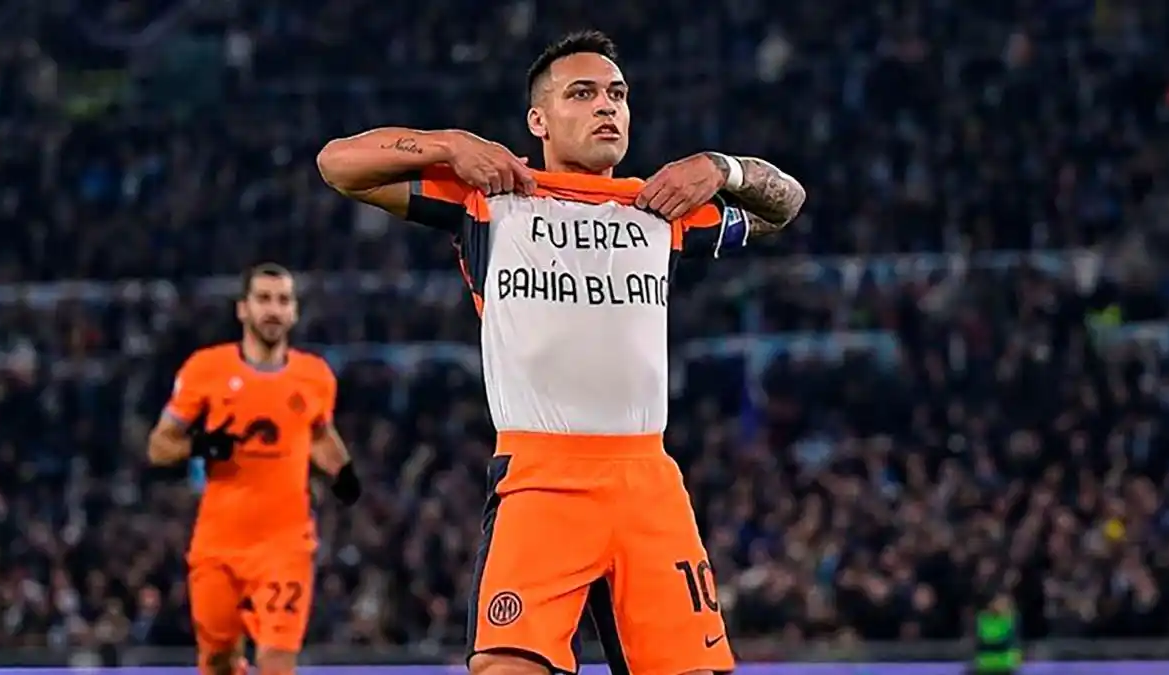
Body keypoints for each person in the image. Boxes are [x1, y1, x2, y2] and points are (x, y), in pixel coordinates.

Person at [317, 30, 805, 675]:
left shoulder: (658, 208)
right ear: (538, 120)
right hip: (543, 476)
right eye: (583, 93)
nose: (607, 106)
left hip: (647, 480)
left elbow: (787, 203)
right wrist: (451, 145)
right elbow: (337, 164)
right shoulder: (492, 201)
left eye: (618, 94)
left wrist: (722, 168)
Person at [147, 263, 362, 675]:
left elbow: (318, 433)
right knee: (218, 660)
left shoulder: (314, 376)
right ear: (242, 309)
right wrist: (199, 445)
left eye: (283, 300)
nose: (273, 310)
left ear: (294, 312)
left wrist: (343, 470)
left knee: (276, 660)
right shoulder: (205, 370)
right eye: (263, 299)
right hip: (218, 545)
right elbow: (158, 446)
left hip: (285, 546)